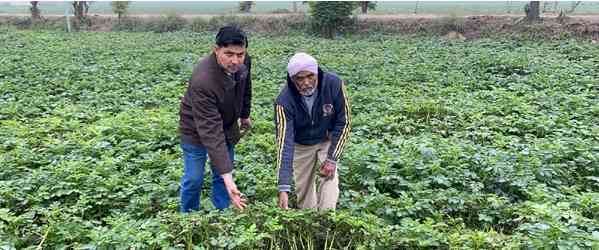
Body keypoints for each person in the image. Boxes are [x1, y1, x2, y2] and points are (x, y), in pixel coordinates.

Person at [178, 26, 252, 212]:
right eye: (228, 54)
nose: (235, 60)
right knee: (194, 178)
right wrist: (230, 179)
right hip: (195, 129)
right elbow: (211, 132)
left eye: (240, 54)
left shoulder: (244, 62)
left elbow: (245, 88)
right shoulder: (203, 80)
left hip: (227, 124)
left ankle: (222, 214)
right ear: (216, 50)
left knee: (221, 174)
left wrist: (244, 114)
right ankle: (188, 218)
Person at [275, 52, 351, 210]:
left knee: (330, 178)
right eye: (300, 78)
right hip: (301, 144)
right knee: (304, 190)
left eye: (310, 76)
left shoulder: (334, 84)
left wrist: (332, 159)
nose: (306, 82)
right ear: (292, 78)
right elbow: (284, 144)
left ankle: (327, 219)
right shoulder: (284, 101)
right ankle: (309, 219)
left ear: (317, 72)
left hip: (326, 138)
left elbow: (344, 121)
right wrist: (283, 188)